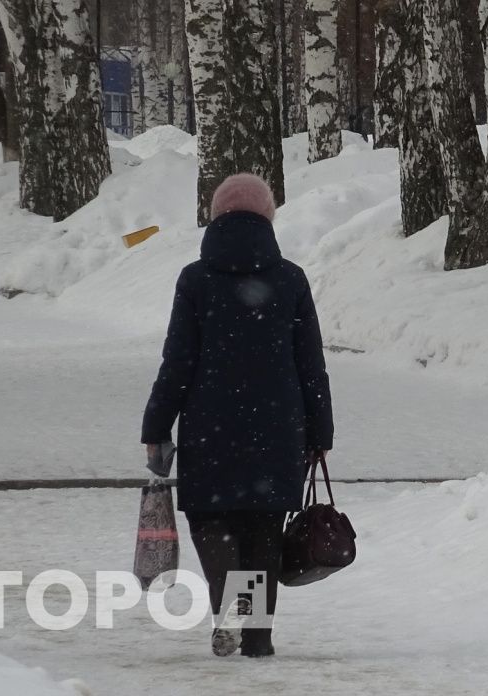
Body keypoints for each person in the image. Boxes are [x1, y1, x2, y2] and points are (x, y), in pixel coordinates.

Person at [141, 173, 334, 658]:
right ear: (267, 216)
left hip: (211, 425)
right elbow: (311, 363)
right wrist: (321, 430)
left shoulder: (195, 279)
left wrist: (156, 427)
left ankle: (229, 608)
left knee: (213, 522)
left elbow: (178, 360)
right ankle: (258, 637)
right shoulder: (290, 278)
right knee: (263, 530)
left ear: (215, 215)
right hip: (277, 425)